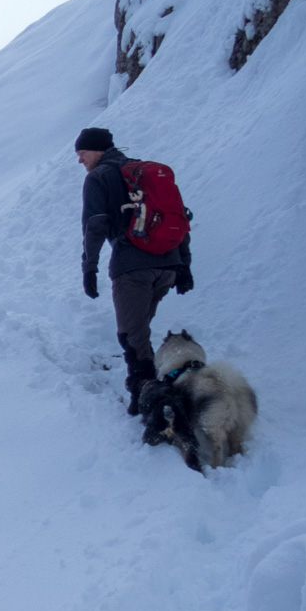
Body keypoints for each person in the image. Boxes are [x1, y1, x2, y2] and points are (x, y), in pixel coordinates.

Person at [76, 127, 193, 414]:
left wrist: (89, 268)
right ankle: (157, 388)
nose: (80, 160)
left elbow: (95, 225)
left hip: (132, 267)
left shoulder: (99, 177)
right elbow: (179, 215)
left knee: (131, 336)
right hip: (167, 265)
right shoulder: (143, 174)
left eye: (82, 153)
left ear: (97, 150)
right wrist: (184, 264)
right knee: (138, 331)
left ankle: (147, 400)